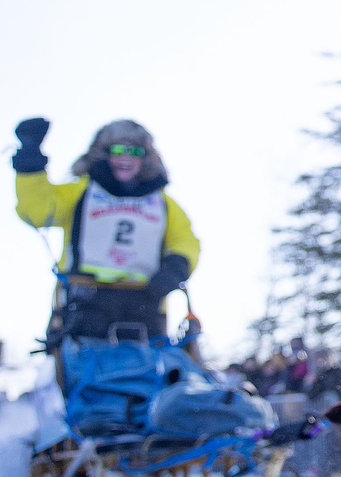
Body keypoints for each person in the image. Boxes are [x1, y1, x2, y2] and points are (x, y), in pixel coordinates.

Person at [12, 117, 200, 345]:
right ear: (104, 154)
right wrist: (30, 161)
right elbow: (37, 211)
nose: (126, 158)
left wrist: (176, 267)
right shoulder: (81, 193)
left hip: (145, 303)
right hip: (84, 301)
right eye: (119, 150)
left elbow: (185, 241)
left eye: (135, 152)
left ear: (146, 158)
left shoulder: (163, 204)